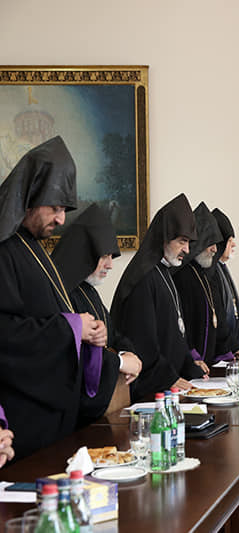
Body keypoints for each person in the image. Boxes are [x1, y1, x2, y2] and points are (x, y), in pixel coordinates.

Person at [0, 136, 110, 460]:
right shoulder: (5, 250)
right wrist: (72, 328)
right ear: (31, 197)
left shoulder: (33, 246)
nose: (61, 220)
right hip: (23, 424)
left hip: (55, 419)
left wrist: (88, 333)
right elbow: (6, 333)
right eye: (56, 208)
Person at [51, 203, 143, 426]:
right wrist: (120, 362)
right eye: (104, 256)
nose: (110, 265)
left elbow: (114, 335)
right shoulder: (62, 294)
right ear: (83, 254)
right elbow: (72, 356)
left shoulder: (89, 290)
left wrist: (130, 354)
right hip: (76, 420)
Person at [110, 193, 208, 403]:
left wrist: (190, 368)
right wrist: (170, 378)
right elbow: (142, 344)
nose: (187, 250)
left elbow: (175, 335)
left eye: (189, 242)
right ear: (165, 236)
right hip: (150, 394)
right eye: (182, 241)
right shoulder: (143, 278)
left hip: (170, 387)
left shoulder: (164, 271)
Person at [173, 202, 230, 365]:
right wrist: (192, 357)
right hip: (191, 364)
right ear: (199, 242)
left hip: (208, 364)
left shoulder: (204, 273)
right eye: (210, 243)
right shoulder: (182, 275)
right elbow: (182, 323)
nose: (214, 250)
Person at [210, 208, 239, 355]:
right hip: (222, 353)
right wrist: (235, 347)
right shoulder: (212, 272)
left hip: (232, 348)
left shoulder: (222, 267)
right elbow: (220, 321)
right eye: (230, 241)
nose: (234, 245)